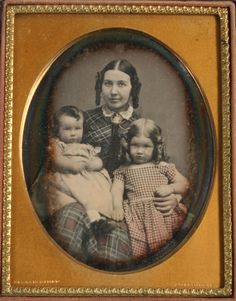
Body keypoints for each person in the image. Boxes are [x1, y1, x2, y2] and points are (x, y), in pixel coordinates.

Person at [42, 59, 184, 270]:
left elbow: (163, 168)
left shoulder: (141, 125)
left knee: (109, 246)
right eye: (108, 84)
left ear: (133, 87)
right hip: (78, 192)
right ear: (100, 86)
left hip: (121, 204)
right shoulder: (83, 120)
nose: (113, 91)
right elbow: (58, 153)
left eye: (121, 84)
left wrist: (175, 196)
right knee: (68, 227)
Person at [111, 118, 189, 260]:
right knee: (141, 254)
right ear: (128, 145)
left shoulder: (162, 166)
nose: (140, 151)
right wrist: (117, 207)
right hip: (137, 215)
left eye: (146, 146)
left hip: (161, 213)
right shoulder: (123, 170)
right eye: (135, 145)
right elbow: (116, 190)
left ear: (156, 147)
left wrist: (170, 188)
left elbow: (184, 183)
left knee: (166, 251)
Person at [45, 105, 115, 235]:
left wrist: (93, 164)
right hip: (70, 174)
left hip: (88, 176)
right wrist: (71, 165)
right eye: (67, 129)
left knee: (101, 190)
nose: (73, 133)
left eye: (77, 128)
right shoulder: (58, 144)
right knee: (78, 190)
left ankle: (100, 216)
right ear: (57, 130)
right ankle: (93, 218)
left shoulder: (87, 147)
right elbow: (56, 159)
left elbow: (98, 161)